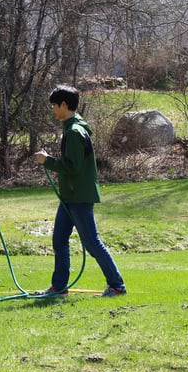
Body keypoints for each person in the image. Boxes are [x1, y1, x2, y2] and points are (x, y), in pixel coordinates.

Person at [34, 85, 127, 298]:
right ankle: (59, 288)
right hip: (69, 196)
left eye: (54, 105)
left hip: (79, 197)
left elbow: (72, 167)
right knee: (59, 240)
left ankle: (117, 286)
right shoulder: (71, 128)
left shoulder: (75, 132)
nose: (53, 109)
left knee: (92, 242)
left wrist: (46, 161)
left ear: (64, 105)